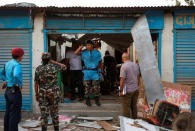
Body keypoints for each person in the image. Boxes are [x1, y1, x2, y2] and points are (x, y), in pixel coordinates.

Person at [34, 53, 66, 131]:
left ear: (42, 60)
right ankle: (56, 129)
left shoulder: (38, 68)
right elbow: (64, 67)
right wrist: (54, 62)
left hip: (43, 93)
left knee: (44, 114)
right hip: (54, 93)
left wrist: (37, 94)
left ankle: (44, 129)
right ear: (50, 59)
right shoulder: (54, 67)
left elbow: (36, 83)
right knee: (54, 112)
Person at [0, 48, 24, 131]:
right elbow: (16, 75)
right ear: (20, 56)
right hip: (14, 92)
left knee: (8, 113)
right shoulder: (17, 65)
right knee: (14, 115)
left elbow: (1, 73)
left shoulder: (7, 63)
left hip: (8, 91)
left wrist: (6, 80)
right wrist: (20, 84)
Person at [75, 40, 101, 106]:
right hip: (87, 72)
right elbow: (76, 53)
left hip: (95, 72)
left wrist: (101, 70)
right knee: (87, 87)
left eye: (89, 45)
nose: (87, 46)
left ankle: (97, 100)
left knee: (96, 87)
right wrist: (81, 46)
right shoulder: (84, 52)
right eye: (86, 45)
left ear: (92, 45)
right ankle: (87, 100)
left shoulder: (97, 52)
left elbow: (100, 62)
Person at [119, 52, 140, 119]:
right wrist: (137, 86)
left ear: (123, 58)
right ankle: (135, 121)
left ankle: (127, 123)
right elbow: (138, 77)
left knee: (126, 108)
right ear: (129, 58)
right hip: (135, 89)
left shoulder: (124, 66)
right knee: (134, 106)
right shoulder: (136, 65)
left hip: (127, 90)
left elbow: (122, 80)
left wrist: (121, 90)